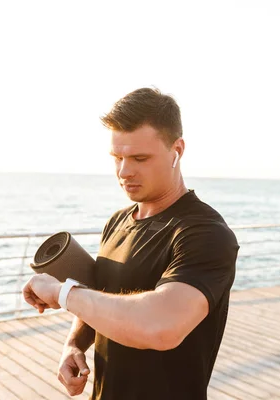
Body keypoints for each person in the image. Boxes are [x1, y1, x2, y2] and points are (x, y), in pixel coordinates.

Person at [23, 87, 239, 400]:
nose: (124, 171)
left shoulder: (205, 233)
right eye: (118, 158)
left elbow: (161, 325)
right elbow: (99, 297)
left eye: (140, 158)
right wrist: (74, 345)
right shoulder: (117, 221)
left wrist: (61, 293)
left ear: (176, 149)